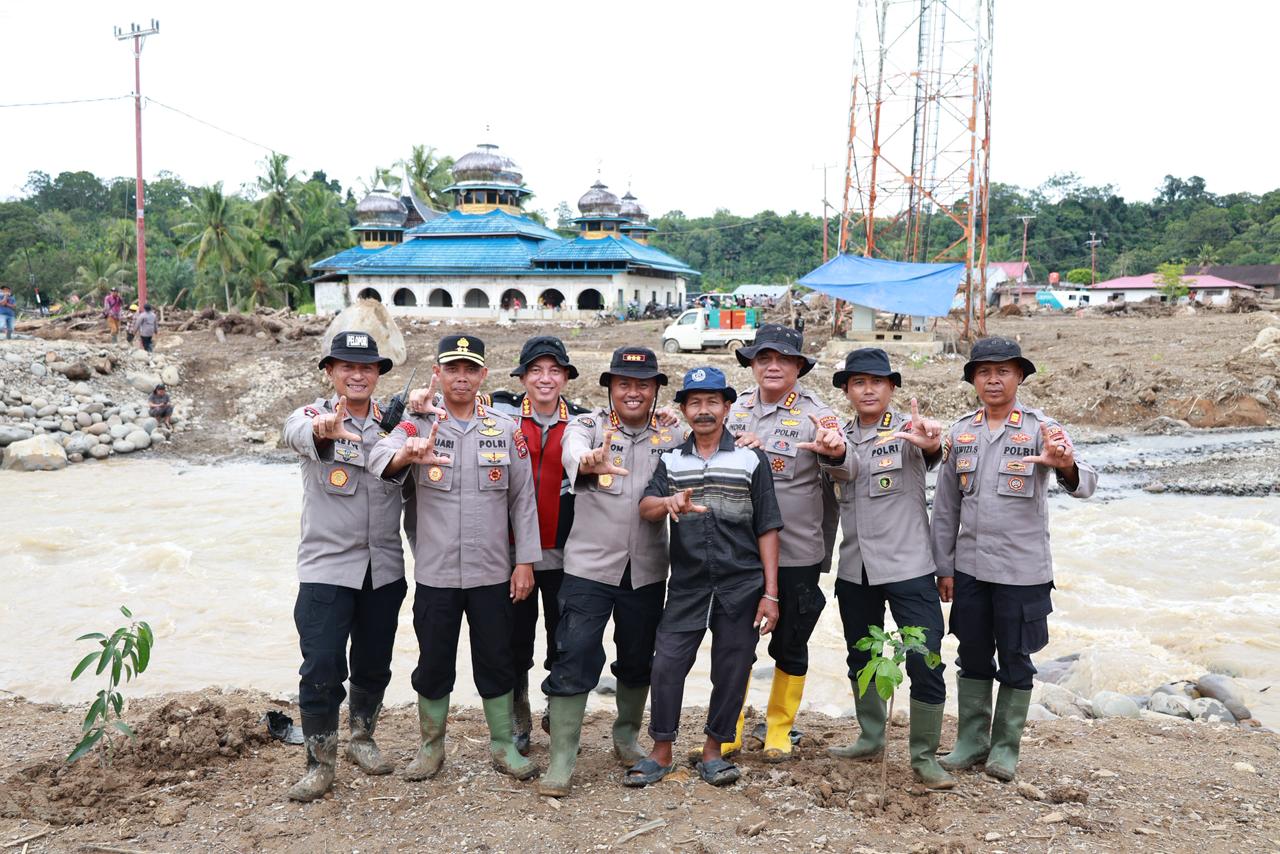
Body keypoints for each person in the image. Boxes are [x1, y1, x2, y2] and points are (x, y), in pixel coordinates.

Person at [370, 334, 543, 782]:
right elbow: (378, 457)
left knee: (497, 660)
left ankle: (504, 746)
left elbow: (523, 500)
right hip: (436, 573)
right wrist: (408, 444)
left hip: (492, 573)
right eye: (453, 369)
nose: (461, 377)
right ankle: (431, 747)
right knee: (433, 663)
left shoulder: (504, 429)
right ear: (439, 373)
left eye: (470, 369)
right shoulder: (418, 424)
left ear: (483, 374)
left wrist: (525, 561)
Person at [931, 337, 1098, 782]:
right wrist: (943, 567)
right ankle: (971, 742)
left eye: (1003, 371)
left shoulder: (1044, 428)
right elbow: (946, 507)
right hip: (970, 569)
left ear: (1020, 376)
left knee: (1017, 658)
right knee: (972, 655)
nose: (993, 379)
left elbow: (1087, 486)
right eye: (984, 372)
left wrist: (1065, 465)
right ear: (972, 380)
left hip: (1023, 572)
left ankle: (1005, 747)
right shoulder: (960, 432)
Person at [623, 366, 782, 788]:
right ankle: (661, 751)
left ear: (728, 407)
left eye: (713, 401)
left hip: (742, 583)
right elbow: (646, 507)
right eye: (695, 402)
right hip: (688, 582)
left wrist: (771, 594)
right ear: (684, 409)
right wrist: (669, 501)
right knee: (667, 664)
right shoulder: (672, 459)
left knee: (733, 666)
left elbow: (768, 526)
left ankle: (714, 751)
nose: (704, 410)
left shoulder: (751, 458)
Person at [537, 346, 684, 797]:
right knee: (574, 655)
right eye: (624, 384)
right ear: (609, 388)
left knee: (638, 659)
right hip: (588, 570)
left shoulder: (671, 435)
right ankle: (563, 758)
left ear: (657, 390)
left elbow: (711, 439)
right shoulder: (589, 425)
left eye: (643, 384)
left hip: (647, 570)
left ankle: (625, 737)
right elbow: (572, 449)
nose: (633, 392)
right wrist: (584, 460)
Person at [279, 331, 411, 802]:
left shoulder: (398, 427)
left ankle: (362, 738)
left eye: (367, 368)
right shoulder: (314, 415)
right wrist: (321, 431)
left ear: (378, 374)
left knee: (373, 664)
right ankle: (319, 762)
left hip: (385, 568)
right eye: (347, 367)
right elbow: (293, 430)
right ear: (331, 372)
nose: (357, 375)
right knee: (321, 666)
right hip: (326, 570)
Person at [820, 348, 953, 789]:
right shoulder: (834, 435)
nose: (868, 388)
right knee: (862, 657)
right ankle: (871, 736)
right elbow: (839, 470)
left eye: (877, 381)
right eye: (858, 382)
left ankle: (924, 756)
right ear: (846, 391)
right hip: (856, 568)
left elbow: (935, 450)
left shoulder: (909, 431)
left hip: (910, 567)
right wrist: (833, 454)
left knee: (924, 658)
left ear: (892, 387)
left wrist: (933, 442)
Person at [724, 323, 847, 762]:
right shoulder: (732, 409)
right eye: (763, 358)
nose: (772, 366)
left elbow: (843, 458)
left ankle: (779, 727)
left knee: (792, 640)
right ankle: (729, 727)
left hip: (796, 550)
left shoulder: (819, 413)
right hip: (738, 550)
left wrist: (836, 450)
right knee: (734, 639)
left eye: (783, 359)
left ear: (798, 366)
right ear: (753, 364)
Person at [486, 336, 590, 755]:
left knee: (565, 639)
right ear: (522, 377)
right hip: (513, 555)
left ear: (566, 376)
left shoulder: (583, 422)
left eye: (554, 371)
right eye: (536, 370)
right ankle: (518, 713)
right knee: (514, 641)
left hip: (569, 554)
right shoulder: (500, 413)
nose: (545, 379)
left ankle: (557, 709)